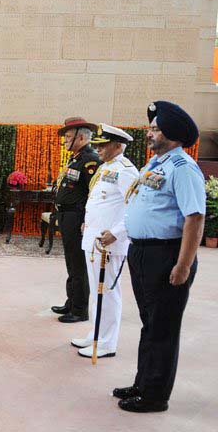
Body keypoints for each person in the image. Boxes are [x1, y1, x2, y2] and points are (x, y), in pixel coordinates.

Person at [114, 101, 204, 413]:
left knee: (162, 327)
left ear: (174, 134)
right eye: (150, 128)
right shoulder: (155, 165)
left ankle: (154, 396)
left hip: (167, 256)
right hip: (142, 253)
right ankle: (143, 382)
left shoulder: (183, 168)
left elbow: (194, 218)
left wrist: (184, 264)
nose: (149, 133)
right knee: (149, 323)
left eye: (155, 129)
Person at [70, 124, 138, 359]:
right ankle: (97, 333)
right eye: (97, 144)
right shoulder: (107, 167)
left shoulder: (126, 170)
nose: (97, 148)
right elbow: (102, 202)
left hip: (110, 242)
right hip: (95, 239)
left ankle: (107, 342)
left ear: (118, 146)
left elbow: (135, 206)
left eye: (103, 145)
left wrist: (117, 232)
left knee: (107, 291)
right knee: (98, 291)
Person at [51, 117, 101, 324]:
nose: (65, 141)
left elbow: (94, 193)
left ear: (81, 137)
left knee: (78, 264)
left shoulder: (90, 161)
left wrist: (87, 220)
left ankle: (80, 310)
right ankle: (71, 302)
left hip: (77, 216)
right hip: (66, 216)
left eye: (68, 137)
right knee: (71, 261)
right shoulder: (76, 158)